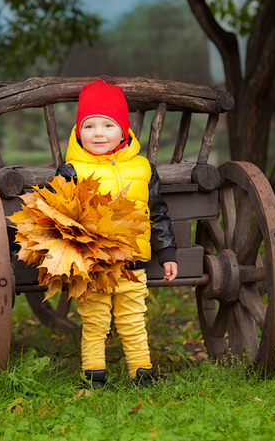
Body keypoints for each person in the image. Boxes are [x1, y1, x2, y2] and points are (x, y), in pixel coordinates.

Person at [55, 78, 178, 389]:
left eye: (108, 125)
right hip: (92, 264)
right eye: (89, 126)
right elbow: (60, 217)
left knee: (133, 320)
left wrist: (167, 254)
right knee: (94, 320)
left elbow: (158, 213)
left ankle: (142, 372)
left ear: (123, 131)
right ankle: (94, 373)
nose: (98, 133)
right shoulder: (72, 171)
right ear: (78, 132)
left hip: (132, 263)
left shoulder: (143, 168)